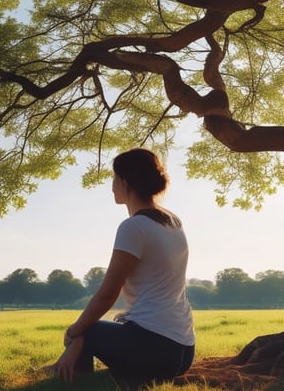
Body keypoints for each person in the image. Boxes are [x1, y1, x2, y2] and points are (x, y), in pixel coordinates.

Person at [54, 148, 195, 387]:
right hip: (183, 350)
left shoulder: (134, 227)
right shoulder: (172, 220)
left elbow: (108, 295)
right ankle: (73, 367)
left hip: (156, 350)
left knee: (86, 329)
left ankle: (74, 377)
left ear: (125, 181)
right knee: (101, 327)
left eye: (114, 178)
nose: (112, 186)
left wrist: (74, 333)